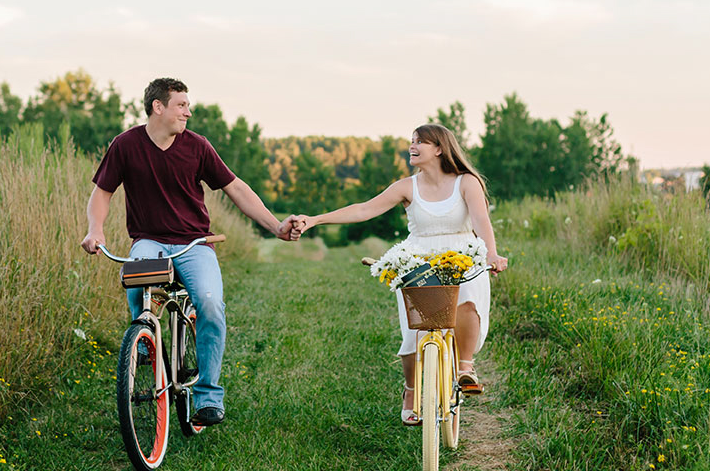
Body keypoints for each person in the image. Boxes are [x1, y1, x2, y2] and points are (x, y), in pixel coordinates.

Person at [81, 77, 299, 427]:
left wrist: (274, 227)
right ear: (158, 107)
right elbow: (102, 193)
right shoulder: (125, 145)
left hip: (194, 243)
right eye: (181, 105)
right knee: (135, 281)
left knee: (210, 303)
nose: (189, 111)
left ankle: (209, 397)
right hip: (149, 240)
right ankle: (143, 342)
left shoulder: (197, 146)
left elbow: (236, 188)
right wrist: (96, 229)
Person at [290, 123, 507, 425]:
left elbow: (482, 221)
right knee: (416, 331)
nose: (412, 147)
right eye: (412, 141)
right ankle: (410, 390)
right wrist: (314, 220)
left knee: (466, 301)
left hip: (463, 255)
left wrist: (491, 254)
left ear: (440, 148)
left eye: (420, 142)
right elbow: (363, 210)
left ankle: (465, 367)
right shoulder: (407, 186)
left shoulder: (466, 182)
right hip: (419, 259)